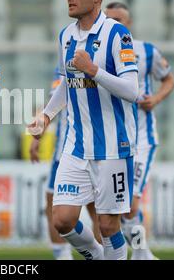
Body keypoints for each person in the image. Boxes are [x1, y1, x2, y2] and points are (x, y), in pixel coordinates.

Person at [28, 0, 139, 260]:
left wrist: (94, 70)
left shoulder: (118, 34)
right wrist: (47, 116)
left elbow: (132, 90)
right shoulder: (66, 36)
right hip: (76, 146)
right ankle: (97, 256)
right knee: (62, 219)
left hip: (114, 147)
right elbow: (67, 82)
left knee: (107, 224)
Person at [105, 1, 174, 260]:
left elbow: (169, 78)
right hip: (111, 140)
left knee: (130, 202)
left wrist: (155, 99)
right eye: (109, 18)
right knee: (117, 205)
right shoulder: (99, 53)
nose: (114, 23)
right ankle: (137, 253)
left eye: (119, 19)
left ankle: (142, 253)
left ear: (129, 24)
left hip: (142, 138)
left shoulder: (146, 51)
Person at [29, 66, 101, 260]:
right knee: (94, 210)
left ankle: (68, 256)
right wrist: (38, 136)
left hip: (71, 150)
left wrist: (37, 138)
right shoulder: (70, 63)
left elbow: (56, 103)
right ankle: (73, 256)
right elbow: (55, 102)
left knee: (57, 205)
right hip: (93, 149)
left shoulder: (66, 64)